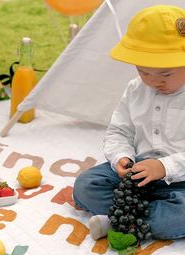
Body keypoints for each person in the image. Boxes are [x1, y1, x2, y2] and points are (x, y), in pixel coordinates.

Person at [73, 5, 185, 241]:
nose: (154, 82)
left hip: (180, 180)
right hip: (138, 172)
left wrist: (165, 167)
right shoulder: (136, 89)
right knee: (86, 185)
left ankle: (119, 219)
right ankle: (136, 217)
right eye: (144, 72)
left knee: (177, 215)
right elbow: (119, 131)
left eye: (165, 74)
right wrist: (121, 157)